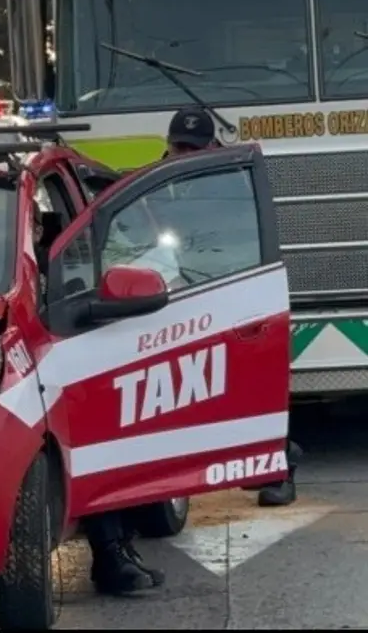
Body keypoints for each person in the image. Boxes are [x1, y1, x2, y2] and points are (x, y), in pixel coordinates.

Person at [164, 106, 302, 507]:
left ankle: (281, 467)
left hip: (236, 290)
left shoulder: (234, 179)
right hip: (180, 295)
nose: (186, 155)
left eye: (194, 147)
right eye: (179, 147)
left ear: (211, 144)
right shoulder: (157, 179)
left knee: (253, 386)